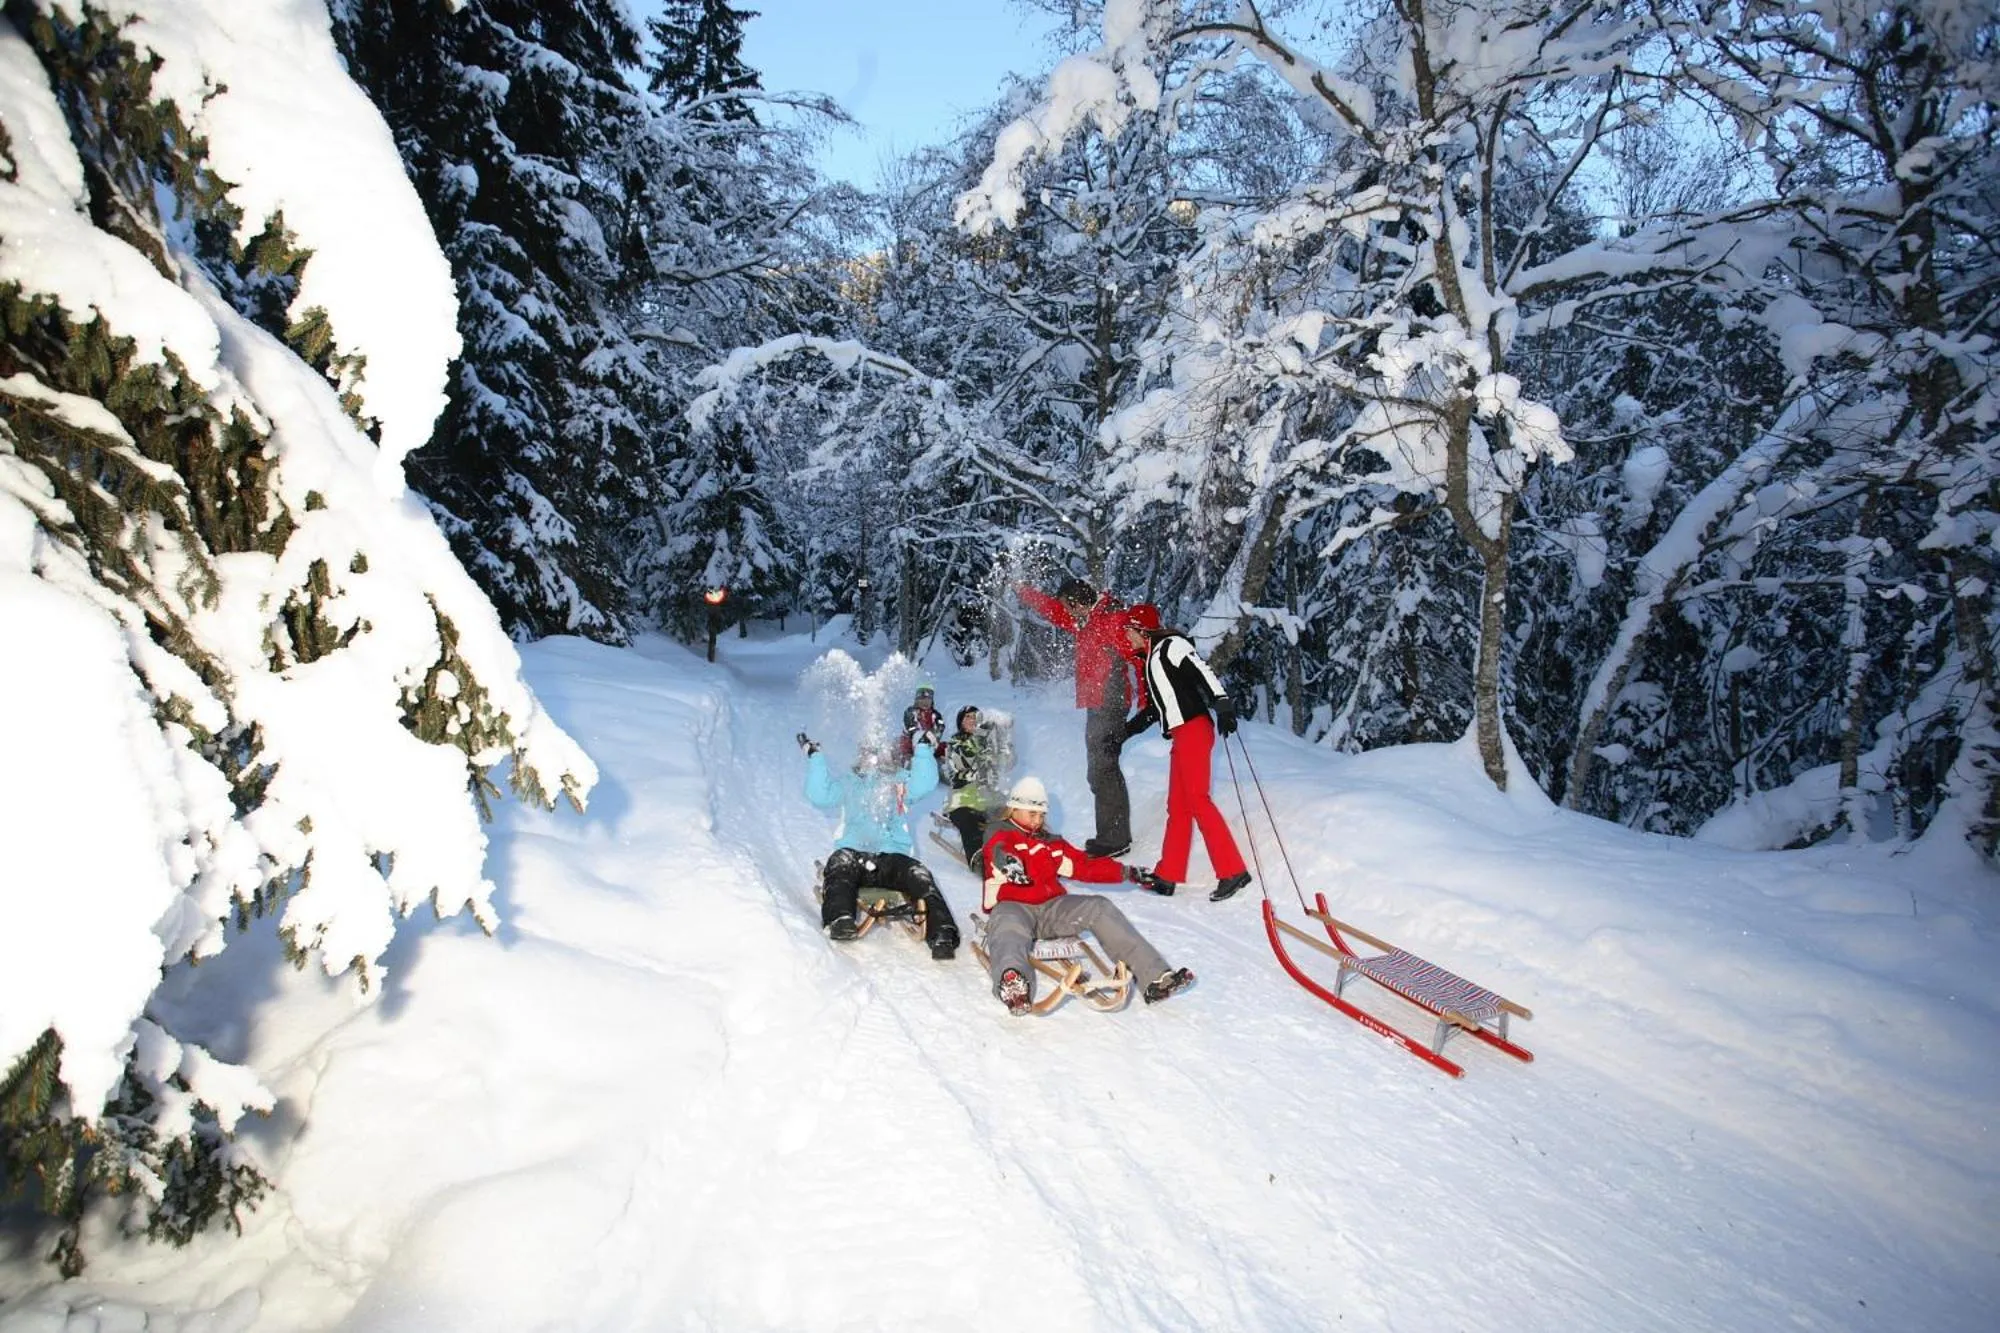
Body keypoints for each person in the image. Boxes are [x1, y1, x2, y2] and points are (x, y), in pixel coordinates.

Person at [979, 776, 1194, 1015]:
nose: (1038, 821)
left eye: (1041, 815)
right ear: (1014, 808)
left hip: (1052, 909)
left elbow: (1085, 865)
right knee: (1008, 927)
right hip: (1013, 906)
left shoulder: (1051, 844)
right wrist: (1009, 863)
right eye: (1032, 814)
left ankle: (1155, 978)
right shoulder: (1000, 833)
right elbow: (998, 848)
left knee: (1099, 907)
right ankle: (1013, 983)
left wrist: (1128, 872)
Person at [1122, 605, 1253, 903]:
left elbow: (1203, 671)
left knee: (1197, 801)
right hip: (1181, 734)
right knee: (1178, 807)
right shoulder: (1151, 660)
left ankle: (1233, 870)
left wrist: (1222, 703)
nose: (1126, 637)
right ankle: (1168, 875)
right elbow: (1157, 709)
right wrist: (1126, 732)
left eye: (1129, 630)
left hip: (1194, 729)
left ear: (1142, 629)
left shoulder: (1171, 646)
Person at [1014, 577, 1148, 857]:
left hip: (1111, 702)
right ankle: (1112, 835)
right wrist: (1023, 591)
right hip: (1098, 703)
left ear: (1079, 601)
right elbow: (1054, 611)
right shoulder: (1086, 619)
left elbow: (1140, 658)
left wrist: (1147, 705)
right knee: (1099, 770)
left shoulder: (1112, 619)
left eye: (1069, 606)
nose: (1068, 613)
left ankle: (1114, 839)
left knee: (1103, 770)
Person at [801, 731, 961, 959]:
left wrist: (924, 748)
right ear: (861, 756)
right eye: (869, 752)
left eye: (879, 753)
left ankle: (942, 933)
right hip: (855, 854)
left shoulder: (899, 782)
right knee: (840, 863)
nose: (874, 758)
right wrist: (816, 759)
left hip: (891, 857)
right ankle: (839, 918)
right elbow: (820, 795)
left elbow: (924, 783)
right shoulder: (849, 783)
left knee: (919, 874)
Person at [941, 704, 1011, 865]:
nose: (972, 720)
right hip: (961, 800)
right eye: (968, 717)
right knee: (968, 820)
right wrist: (980, 736)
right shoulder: (954, 743)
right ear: (961, 722)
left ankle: (1022, 851)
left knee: (1012, 814)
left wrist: (1002, 738)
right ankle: (979, 860)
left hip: (987, 798)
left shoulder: (987, 742)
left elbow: (1006, 762)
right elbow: (963, 762)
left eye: (975, 717)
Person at [898, 683, 947, 763]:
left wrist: (936, 734)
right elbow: (912, 729)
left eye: (928, 700)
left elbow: (940, 727)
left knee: (947, 747)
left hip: (930, 747)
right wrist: (926, 736)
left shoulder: (935, 715)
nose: (925, 703)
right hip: (910, 747)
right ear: (917, 700)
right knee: (902, 749)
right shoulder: (910, 712)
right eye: (922, 699)